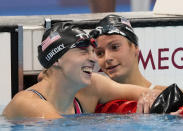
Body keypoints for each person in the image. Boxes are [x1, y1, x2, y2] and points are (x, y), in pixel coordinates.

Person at [3, 23, 161, 119]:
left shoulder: (92, 86)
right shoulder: (28, 104)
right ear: (57, 59)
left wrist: (150, 97)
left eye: (93, 52)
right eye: (84, 51)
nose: (93, 59)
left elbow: (162, 93)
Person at [90, 14, 183, 113]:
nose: (107, 58)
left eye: (115, 47)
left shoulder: (168, 96)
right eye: (100, 53)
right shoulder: (93, 97)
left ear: (135, 48)